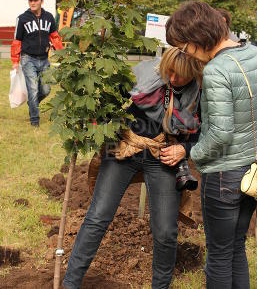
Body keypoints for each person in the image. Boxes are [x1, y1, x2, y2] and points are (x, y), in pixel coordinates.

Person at [165, 1, 257, 289]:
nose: (186, 54)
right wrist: (253, 129)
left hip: (223, 177)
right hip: (253, 172)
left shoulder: (216, 71)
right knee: (235, 248)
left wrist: (193, 155)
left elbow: (221, 134)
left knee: (220, 256)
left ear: (197, 38)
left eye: (184, 46)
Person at [63, 47, 203, 289]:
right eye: (169, 71)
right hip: (125, 148)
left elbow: (204, 133)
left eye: (179, 75)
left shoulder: (200, 93)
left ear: (193, 72)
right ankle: (70, 284)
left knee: (165, 231)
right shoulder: (147, 72)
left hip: (163, 155)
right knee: (98, 216)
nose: (171, 79)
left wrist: (185, 150)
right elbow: (109, 102)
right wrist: (90, 124)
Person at [11, 0, 63, 127]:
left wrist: (62, 56)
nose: (33, 2)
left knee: (46, 89)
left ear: (41, 1)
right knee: (33, 89)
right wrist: (15, 61)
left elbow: (55, 38)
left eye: (35, 0)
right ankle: (35, 121)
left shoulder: (49, 17)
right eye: (30, 0)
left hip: (44, 59)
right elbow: (17, 41)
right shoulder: (22, 18)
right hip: (28, 59)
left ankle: (32, 103)